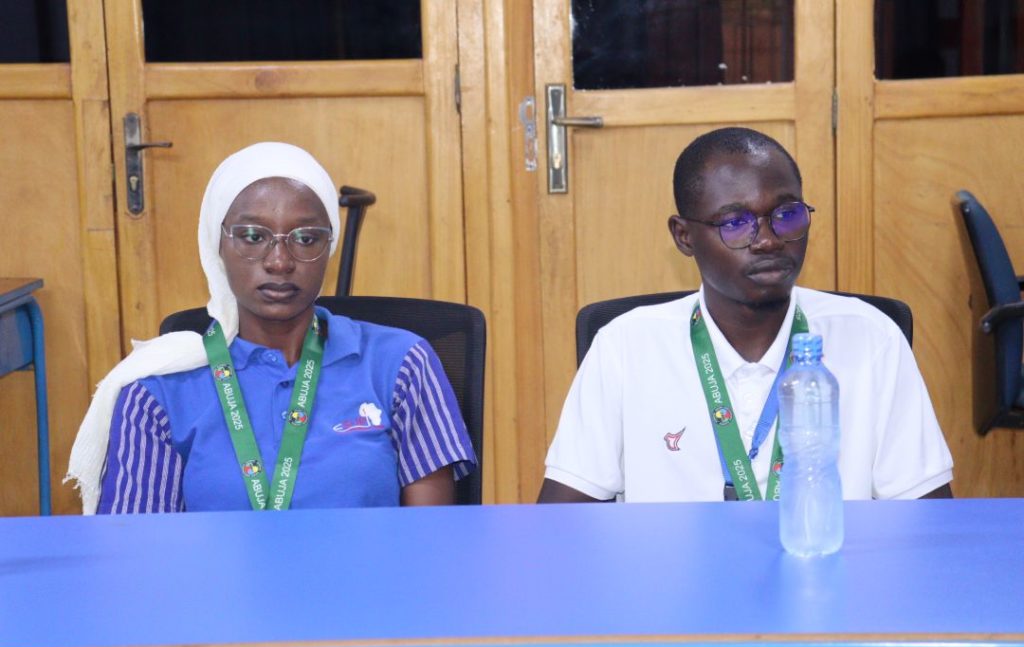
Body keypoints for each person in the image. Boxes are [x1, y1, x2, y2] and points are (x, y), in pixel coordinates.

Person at [538, 127, 953, 503]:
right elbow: (560, 529)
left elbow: (931, 523)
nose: (768, 240)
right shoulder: (625, 348)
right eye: (736, 223)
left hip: (824, 563)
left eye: (786, 215)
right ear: (684, 236)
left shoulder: (872, 339)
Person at [66, 142, 475, 513]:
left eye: (306, 239)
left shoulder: (401, 364)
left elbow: (429, 543)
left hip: (367, 576)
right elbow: (141, 555)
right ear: (217, 245)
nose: (279, 261)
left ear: (329, 247)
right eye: (252, 236)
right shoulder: (157, 391)